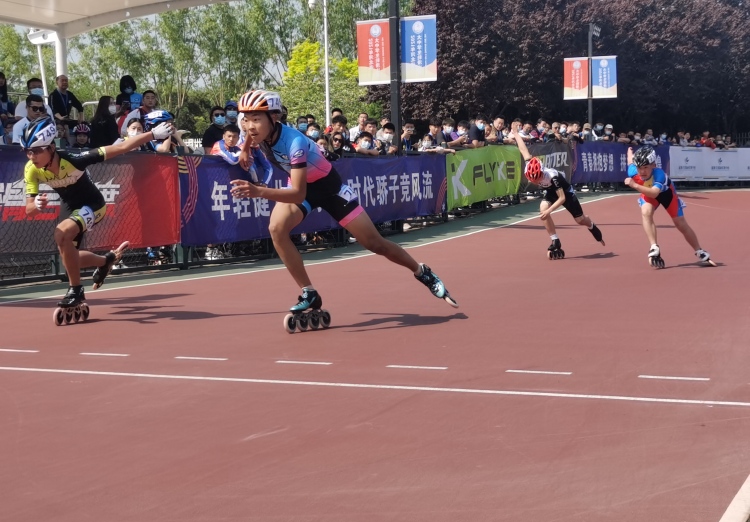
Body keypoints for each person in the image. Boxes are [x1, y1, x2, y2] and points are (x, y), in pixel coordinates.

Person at [230, 90, 457, 322]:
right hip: (303, 185)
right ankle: (308, 292)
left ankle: (421, 271)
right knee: (276, 228)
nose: (250, 127)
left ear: (274, 118)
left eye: (257, 119)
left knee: (374, 243)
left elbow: (298, 193)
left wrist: (258, 191)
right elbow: (249, 134)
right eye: (246, 120)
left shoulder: (294, 142)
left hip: (329, 189)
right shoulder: (254, 131)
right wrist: (246, 148)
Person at [21, 114, 175, 311]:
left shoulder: (74, 160)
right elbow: (29, 210)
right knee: (70, 258)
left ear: (51, 148)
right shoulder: (31, 169)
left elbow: (121, 147)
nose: (31, 157)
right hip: (70, 207)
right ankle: (106, 261)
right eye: (27, 152)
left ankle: (75, 290)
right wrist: (38, 205)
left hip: (93, 205)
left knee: (61, 233)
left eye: (35, 151)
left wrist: (153, 134)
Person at [510, 130, 604, 258]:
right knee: (542, 209)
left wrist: (550, 211)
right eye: (532, 179)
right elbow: (523, 149)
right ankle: (555, 240)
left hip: (565, 193)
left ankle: (591, 225)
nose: (535, 181)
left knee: (580, 220)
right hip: (550, 191)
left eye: (536, 179)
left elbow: (562, 198)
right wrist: (515, 133)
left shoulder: (552, 177)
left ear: (541, 173)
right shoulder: (530, 165)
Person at [624, 146, 714, 268]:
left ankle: (699, 250)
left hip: (667, 195)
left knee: (680, 224)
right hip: (648, 194)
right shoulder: (633, 171)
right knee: (646, 211)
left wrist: (635, 185)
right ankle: (654, 247)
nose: (642, 171)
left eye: (645, 167)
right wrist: (630, 153)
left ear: (653, 165)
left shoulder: (659, 174)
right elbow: (630, 162)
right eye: (639, 168)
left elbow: (655, 193)